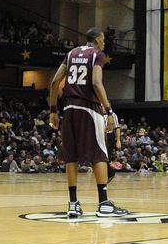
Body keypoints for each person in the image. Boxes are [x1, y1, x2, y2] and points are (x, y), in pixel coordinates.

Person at [49, 27, 127, 219]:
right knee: (99, 154)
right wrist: (108, 110)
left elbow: (54, 81)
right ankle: (104, 204)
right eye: (103, 40)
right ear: (98, 39)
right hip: (89, 109)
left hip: (69, 109)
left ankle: (73, 204)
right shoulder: (97, 54)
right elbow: (96, 83)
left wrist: (52, 110)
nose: (104, 43)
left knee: (71, 156)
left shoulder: (71, 53)